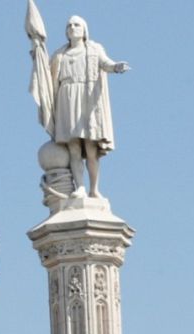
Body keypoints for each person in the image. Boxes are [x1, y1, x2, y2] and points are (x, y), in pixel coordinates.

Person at [48, 15, 129, 198]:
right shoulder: (60, 54)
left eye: (76, 24)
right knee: (74, 147)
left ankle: (94, 189)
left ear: (84, 30)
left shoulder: (93, 49)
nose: (72, 27)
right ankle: (80, 187)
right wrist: (36, 52)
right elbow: (46, 77)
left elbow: (105, 63)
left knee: (91, 149)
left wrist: (116, 67)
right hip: (67, 98)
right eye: (69, 25)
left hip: (87, 98)